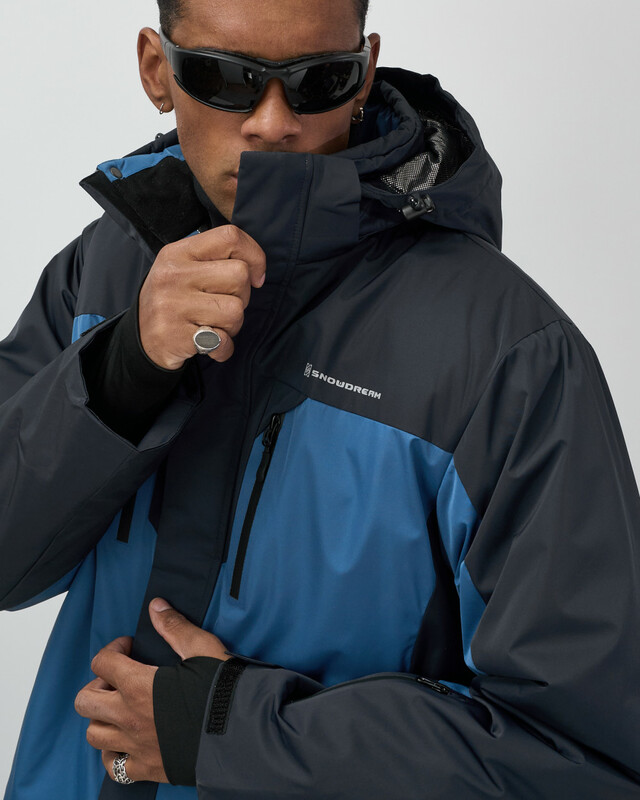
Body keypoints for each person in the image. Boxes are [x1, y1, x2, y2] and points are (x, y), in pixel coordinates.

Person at [1, 0, 639, 797]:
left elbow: (588, 759)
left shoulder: (508, 356)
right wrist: (120, 368)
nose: (273, 124)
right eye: (225, 77)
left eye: (317, 81)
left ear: (363, 73)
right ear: (157, 71)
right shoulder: (102, 268)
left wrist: (234, 734)